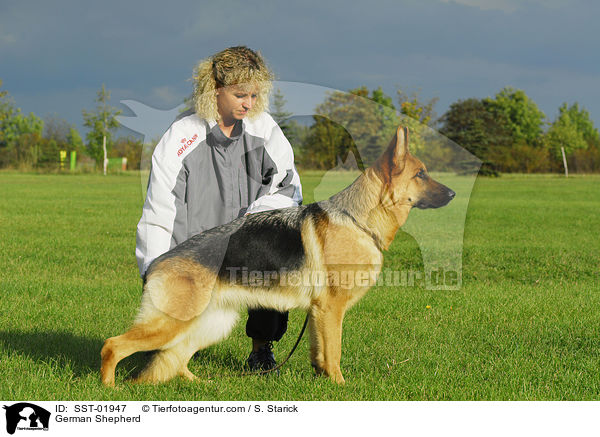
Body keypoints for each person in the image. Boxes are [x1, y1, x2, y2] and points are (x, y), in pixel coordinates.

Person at [135, 46, 302, 371]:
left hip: (248, 243)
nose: (249, 104)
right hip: (196, 249)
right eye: (241, 94)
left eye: (254, 95)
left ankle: (261, 348)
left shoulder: (265, 131)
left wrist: (255, 222)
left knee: (276, 251)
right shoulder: (182, 137)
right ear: (214, 90)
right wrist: (152, 271)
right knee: (170, 336)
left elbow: (288, 188)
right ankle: (165, 341)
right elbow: (160, 209)